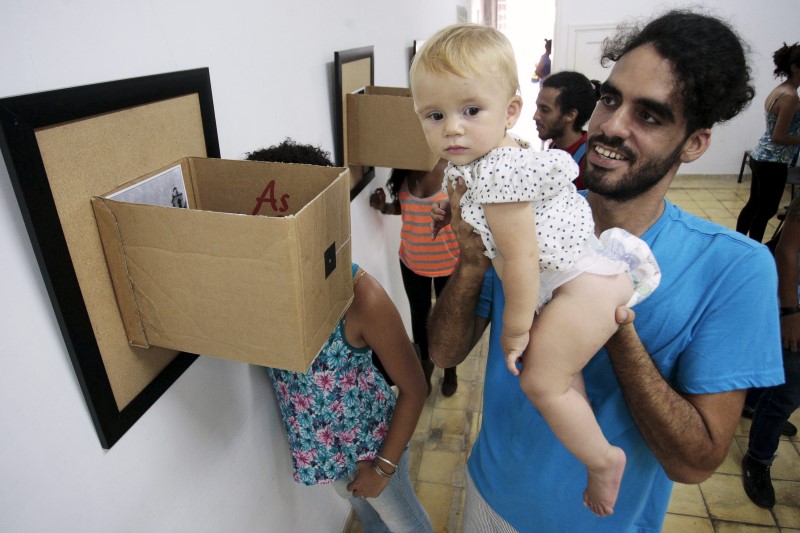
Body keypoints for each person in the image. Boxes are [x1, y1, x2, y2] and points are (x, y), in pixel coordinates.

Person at [427, 10, 784, 532]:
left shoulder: (736, 268)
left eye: (651, 116)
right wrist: (472, 261)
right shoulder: (532, 213)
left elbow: (695, 462)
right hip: (489, 496)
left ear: (696, 143)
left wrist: (611, 318)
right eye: (610, 99)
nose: (611, 126)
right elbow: (443, 353)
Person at [411, 23, 661, 516]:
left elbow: (521, 257)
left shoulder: (501, 167)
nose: (452, 128)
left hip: (584, 285)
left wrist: (515, 331)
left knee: (539, 381)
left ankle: (605, 461)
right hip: (569, 285)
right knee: (564, 379)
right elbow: (489, 225)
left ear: (510, 112)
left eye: (470, 110)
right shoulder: (473, 164)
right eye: (434, 115)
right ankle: (592, 445)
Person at [248, 139, 433, 532]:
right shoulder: (265, 293)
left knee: (408, 525)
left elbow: (415, 388)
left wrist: (382, 470)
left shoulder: (360, 297)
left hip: (374, 450)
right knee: (370, 520)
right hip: (326, 456)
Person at [369, 159, 462, 396]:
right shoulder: (403, 165)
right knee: (419, 320)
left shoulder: (453, 167)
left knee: (447, 322)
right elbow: (406, 207)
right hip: (411, 261)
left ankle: (450, 368)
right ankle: (424, 366)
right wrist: (385, 207)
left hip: (448, 264)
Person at [741, 191, 800, 509]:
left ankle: (753, 407)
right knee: (787, 392)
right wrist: (791, 311)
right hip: (797, 306)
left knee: (779, 385)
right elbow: (788, 250)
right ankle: (758, 459)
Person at [736, 42, 800, 243]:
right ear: (795, 67)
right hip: (773, 161)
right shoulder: (790, 97)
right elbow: (779, 137)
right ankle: (753, 249)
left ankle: (738, 244)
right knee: (766, 209)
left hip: (761, 156)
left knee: (755, 205)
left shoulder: (781, 90)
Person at [534, 71, 601, 189]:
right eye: (537, 107)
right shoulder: (554, 147)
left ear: (570, 115)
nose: (535, 116)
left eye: (544, 110)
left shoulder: (589, 163)